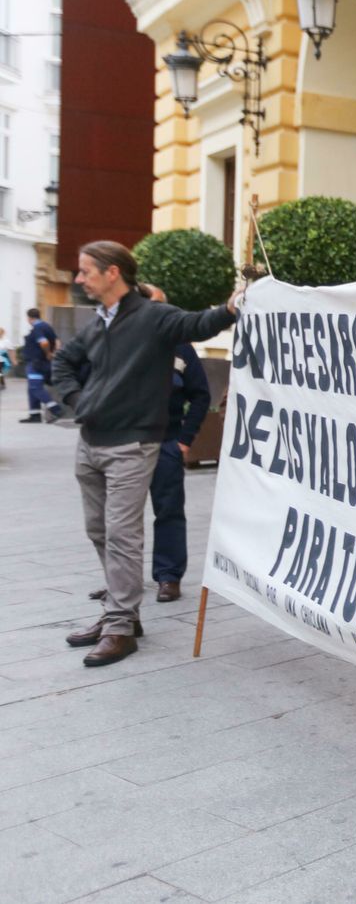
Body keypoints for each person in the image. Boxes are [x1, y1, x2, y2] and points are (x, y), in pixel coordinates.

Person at [52, 242, 237, 667]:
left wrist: (230, 309)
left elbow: (198, 324)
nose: (79, 279)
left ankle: (119, 626)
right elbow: (63, 361)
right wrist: (79, 401)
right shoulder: (99, 322)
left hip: (132, 447)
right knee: (99, 530)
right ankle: (122, 614)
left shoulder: (154, 317)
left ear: (112, 273)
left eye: (85, 271)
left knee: (122, 534)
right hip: (90, 443)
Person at [85, 284, 210, 605]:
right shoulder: (115, 343)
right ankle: (119, 582)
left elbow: (200, 395)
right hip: (121, 443)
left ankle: (169, 577)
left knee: (168, 511)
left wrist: (185, 441)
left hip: (166, 442)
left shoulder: (181, 348)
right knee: (118, 518)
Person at [19, 308, 64, 422]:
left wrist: (48, 353)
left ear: (29, 318)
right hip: (42, 363)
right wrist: (54, 353)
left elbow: (44, 342)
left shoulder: (37, 327)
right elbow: (57, 341)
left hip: (36, 363)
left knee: (35, 387)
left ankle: (56, 409)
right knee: (31, 388)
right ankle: (34, 415)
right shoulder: (47, 326)